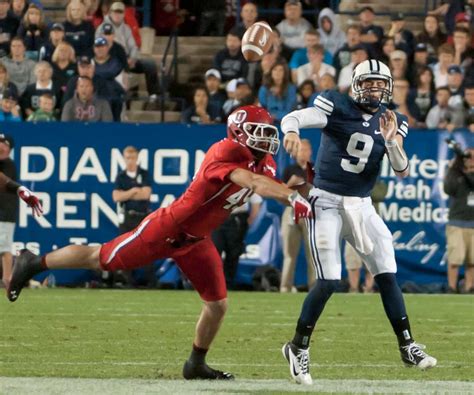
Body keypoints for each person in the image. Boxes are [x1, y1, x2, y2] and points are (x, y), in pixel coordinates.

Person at [7, 105, 313, 381]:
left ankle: (195, 363)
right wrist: (291, 197)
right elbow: (255, 183)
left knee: (217, 305)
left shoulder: (267, 161)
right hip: (168, 228)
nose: (265, 140)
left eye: (268, 133)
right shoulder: (225, 152)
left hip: (196, 240)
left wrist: (308, 186)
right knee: (99, 258)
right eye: (258, 133)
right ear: (238, 133)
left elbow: (277, 183)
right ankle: (34, 262)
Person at [279, 59, 437, 385]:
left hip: (363, 205)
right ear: (355, 83)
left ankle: (407, 344)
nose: (375, 89)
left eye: (381, 84)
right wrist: (291, 132)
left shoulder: (392, 119)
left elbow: (402, 169)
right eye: (369, 83)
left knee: (387, 272)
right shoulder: (335, 105)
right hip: (327, 201)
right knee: (329, 279)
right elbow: (295, 116)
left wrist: (391, 140)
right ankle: (297, 347)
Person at [0, 133, 43, 288]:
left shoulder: (8, 165)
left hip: (4, 211)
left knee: (4, 247)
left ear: (9, 149)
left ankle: (6, 280)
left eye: (3, 144)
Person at [97, 1, 160, 100]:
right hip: (112, 61)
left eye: (120, 12)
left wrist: (133, 58)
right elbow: (100, 49)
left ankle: (154, 96)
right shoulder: (102, 28)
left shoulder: (126, 28)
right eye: (115, 12)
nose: (117, 15)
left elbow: (133, 47)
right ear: (110, 13)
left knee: (150, 65)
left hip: (128, 59)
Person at [112, 145, 154, 288]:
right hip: (127, 217)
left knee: (147, 247)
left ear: (137, 158)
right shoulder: (121, 176)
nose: (130, 161)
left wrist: (127, 194)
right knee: (125, 248)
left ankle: (150, 281)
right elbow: (117, 196)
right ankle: (127, 280)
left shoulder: (144, 173)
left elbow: (146, 194)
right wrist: (134, 191)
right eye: (127, 158)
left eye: (132, 158)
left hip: (142, 216)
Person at [280, 138, 315, 293]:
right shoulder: (290, 170)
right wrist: (291, 184)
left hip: (310, 211)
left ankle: (314, 287)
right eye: (301, 150)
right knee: (289, 253)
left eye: (306, 150)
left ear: (311, 152)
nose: (303, 153)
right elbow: (280, 192)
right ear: (295, 152)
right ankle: (285, 287)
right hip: (292, 209)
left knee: (312, 253)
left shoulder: (315, 169)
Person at [212, 192, 262, 290]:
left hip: (236, 218)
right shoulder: (217, 182)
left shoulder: (243, 181)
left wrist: (249, 222)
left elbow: (256, 200)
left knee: (233, 253)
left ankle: (227, 283)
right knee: (215, 251)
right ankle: (213, 283)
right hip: (217, 217)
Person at [443, 147, 474, 293]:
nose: (469, 159)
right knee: (455, 258)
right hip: (457, 222)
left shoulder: (469, 175)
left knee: (472, 261)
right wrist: (454, 167)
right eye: (467, 156)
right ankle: (452, 287)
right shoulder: (457, 174)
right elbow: (448, 189)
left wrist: (466, 169)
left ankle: (469, 288)